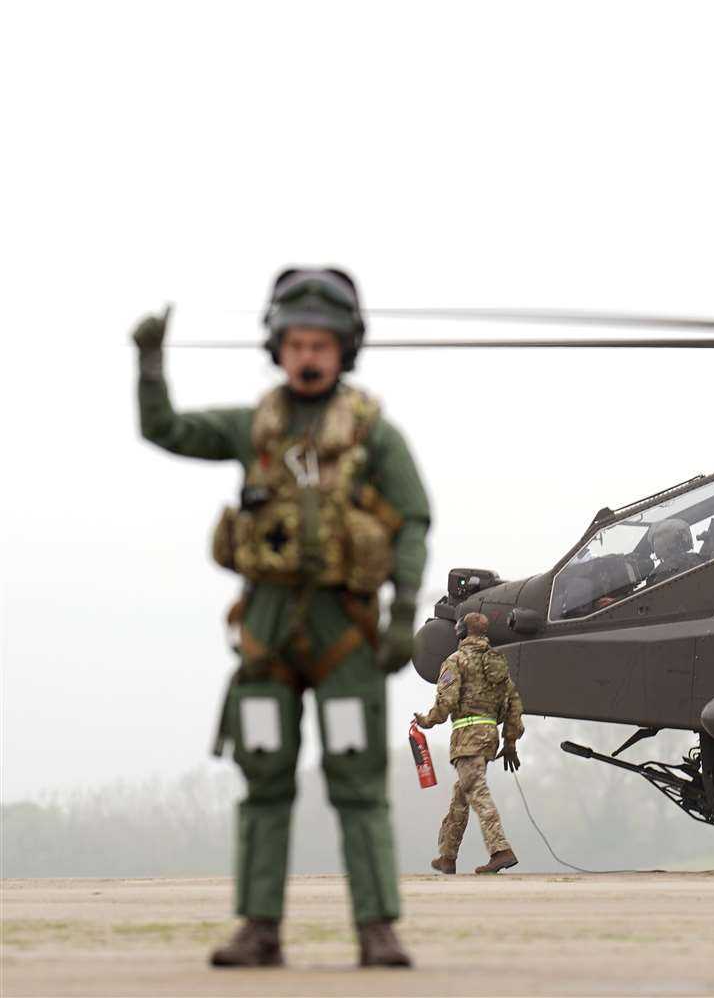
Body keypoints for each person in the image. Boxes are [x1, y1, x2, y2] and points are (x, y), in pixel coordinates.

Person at [132, 268, 430, 969]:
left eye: (321, 344)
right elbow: (166, 429)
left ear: (343, 350)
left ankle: (376, 928)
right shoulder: (252, 428)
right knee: (263, 775)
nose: (308, 356)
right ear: (278, 347)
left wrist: (403, 612)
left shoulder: (374, 436)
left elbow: (413, 519)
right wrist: (150, 365)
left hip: (344, 630)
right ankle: (259, 928)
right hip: (266, 629)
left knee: (357, 779)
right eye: (296, 342)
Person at [415, 612, 524, 875]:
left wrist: (427, 721)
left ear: (461, 632)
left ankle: (500, 850)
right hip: (488, 736)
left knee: (476, 790)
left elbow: (446, 701)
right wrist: (510, 742)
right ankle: (447, 856)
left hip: (467, 736)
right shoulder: (497, 663)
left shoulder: (456, 660)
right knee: (461, 796)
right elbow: (514, 706)